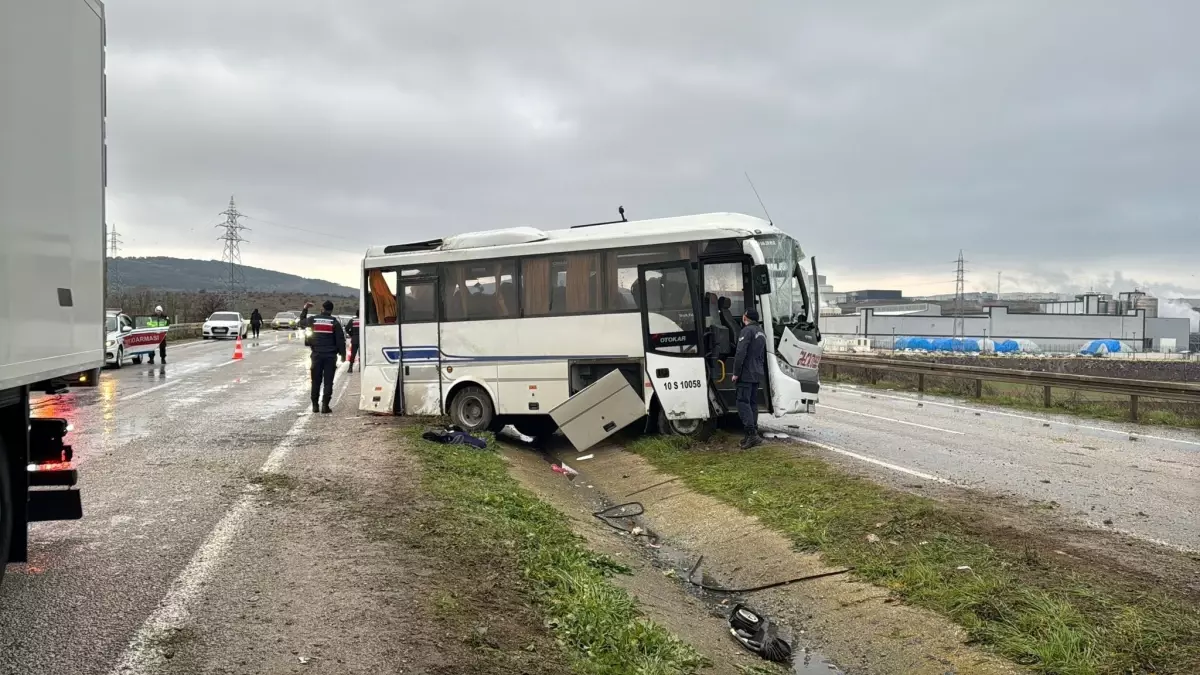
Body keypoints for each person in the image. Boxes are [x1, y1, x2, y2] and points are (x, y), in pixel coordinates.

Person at [298, 300, 346, 414]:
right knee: (328, 381)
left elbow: (301, 322)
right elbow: (340, 340)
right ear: (331, 310)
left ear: (322, 309)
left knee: (316, 381)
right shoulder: (334, 322)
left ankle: (315, 405)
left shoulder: (314, 319)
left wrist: (305, 308)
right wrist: (343, 355)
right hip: (330, 356)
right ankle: (325, 406)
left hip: (317, 355)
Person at [731, 307, 767, 448]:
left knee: (742, 402)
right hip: (757, 372)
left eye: (744, 315)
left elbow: (740, 353)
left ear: (746, 317)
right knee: (752, 403)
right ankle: (751, 434)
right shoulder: (761, 332)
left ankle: (751, 435)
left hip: (746, 373)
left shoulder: (746, 331)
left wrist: (736, 373)